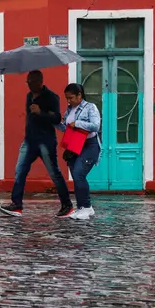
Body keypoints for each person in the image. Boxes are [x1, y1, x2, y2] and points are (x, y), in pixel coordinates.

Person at [0, 70, 74, 218]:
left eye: (31, 83)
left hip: (46, 141)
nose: (29, 86)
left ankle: (67, 205)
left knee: (54, 173)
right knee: (20, 170)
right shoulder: (29, 96)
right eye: (27, 83)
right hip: (29, 141)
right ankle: (17, 205)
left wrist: (41, 112)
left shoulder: (52, 97)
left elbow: (57, 118)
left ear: (39, 82)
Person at [57, 83, 102, 220]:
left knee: (79, 173)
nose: (69, 101)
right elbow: (66, 128)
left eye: (71, 98)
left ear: (79, 95)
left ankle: (86, 207)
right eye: (67, 98)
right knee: (76, 177)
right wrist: (54, 121)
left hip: (89, 145)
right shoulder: (69, 109)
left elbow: (95, 126)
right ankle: (82, 207)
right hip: (74, 146)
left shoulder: (90, 108)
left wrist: (78, 123)